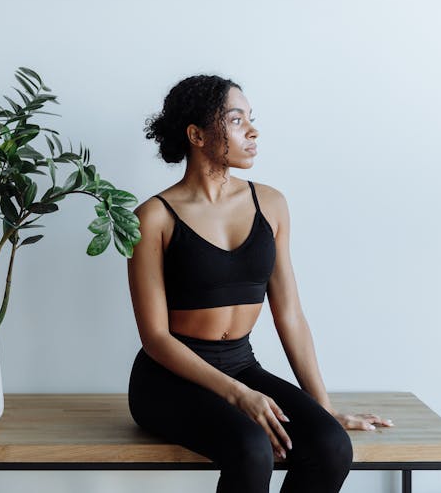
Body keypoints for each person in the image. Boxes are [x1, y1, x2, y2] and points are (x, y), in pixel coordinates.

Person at [127, 75, 394, 493]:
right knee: (253, 450)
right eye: (236, 121)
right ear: (196, 135)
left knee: (331, 446)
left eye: (251, 119)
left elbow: (289, 314)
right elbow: (156, 337)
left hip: (241, 364)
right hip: (168, 381)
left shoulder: (270, 204)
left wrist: (322, 409)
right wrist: (236, 395)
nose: (252, 131)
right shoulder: (153, 218)